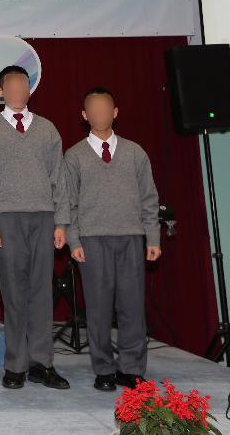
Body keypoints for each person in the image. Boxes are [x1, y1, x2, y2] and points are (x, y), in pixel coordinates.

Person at [0, 65, 70, 390]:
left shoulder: (47, 129)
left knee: (42, 291)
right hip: (5, 219)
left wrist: (61, 222)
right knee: (13, 292)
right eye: (11, 85)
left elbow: (59, 178)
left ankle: (42, 362)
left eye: (23, 85)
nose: (17, 90)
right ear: (1, 91)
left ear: (29, 90)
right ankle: (15, 365)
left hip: (43, 217)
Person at [65, 87, 161, 391]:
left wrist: (153, 237)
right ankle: (104, 368)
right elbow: (68, 203)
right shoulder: (74, 155)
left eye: (105, 109)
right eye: (93, 110)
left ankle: (131, 368)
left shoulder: (135, 152)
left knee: (132, 307)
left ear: (115, 112)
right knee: (98, 308)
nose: (100, 114)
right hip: (92, 240)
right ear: (84, 116)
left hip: (131, 238)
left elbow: (149, 198)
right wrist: (73, 240)